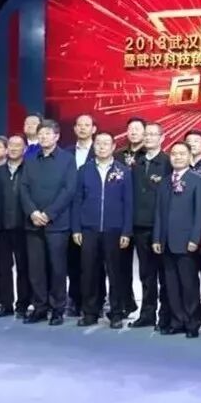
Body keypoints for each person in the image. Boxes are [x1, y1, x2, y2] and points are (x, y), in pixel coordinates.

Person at [70, 131, 133, 329]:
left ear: (113, 147)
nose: (102, 147)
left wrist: (126, 231)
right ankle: (90, 312)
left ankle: (116, 313)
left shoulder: (123, 171)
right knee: (89, 272)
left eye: (106, 143)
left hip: (114, 230)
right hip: (89, 229)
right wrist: (76, 228)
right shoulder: (84, 170)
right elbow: (77, 200)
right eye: (98, 143)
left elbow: (128, 203)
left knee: (115, 273)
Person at [20, 119, 77, 325]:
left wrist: (49, 213)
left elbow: (69, 190)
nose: (43, 137)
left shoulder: (67, 159)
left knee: (57, 268)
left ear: (57, 136)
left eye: (47, 133)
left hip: (57, 224)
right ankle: (40, 307)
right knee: (36, 269)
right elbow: (23, 188)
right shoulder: (30, 159)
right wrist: (33, 212)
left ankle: (57, 308)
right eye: (41, 134)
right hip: (33, 222)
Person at [153, 141, 201, 338]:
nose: (177, 157)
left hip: (186, 242)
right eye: (174, 154)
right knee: (171, 285)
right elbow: (158, 212)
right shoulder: (165, 182)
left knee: (189, 284)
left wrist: (195, 238)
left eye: (182, 154)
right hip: (166, 241)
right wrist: (157, 238)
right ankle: (177, 322)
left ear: (190, 156)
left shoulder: (198, 180)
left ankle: (192, 323)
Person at [128, 122, 171, 329]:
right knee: (146, 274)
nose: (148, 138)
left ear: (162, 138)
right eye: (146, 134)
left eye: (153, 134)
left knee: (165, 274)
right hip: (139, 225)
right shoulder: (137, 162)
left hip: (161, 226)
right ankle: (147, 313)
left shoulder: (168, 162)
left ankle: (166, 315)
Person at [0, 135, 31, 318]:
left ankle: (23, 305)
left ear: (25, 149)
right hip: (2, 227)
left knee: (24, 267)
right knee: (3, 267)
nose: (14, 148)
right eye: (11, 145)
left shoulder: (30, 169)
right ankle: (5, 305)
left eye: (18, 145)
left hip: (24, 227)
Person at [66, 114, 96, 317]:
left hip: (93, 214)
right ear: (75, 129)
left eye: (87, 125)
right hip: (69, 212)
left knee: (94, 262)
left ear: (94, 129)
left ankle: (95, 300)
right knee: (73, 261)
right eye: (80, 125)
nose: (83, 128)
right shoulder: (66, 153)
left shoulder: (101, 151)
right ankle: (75, 299)